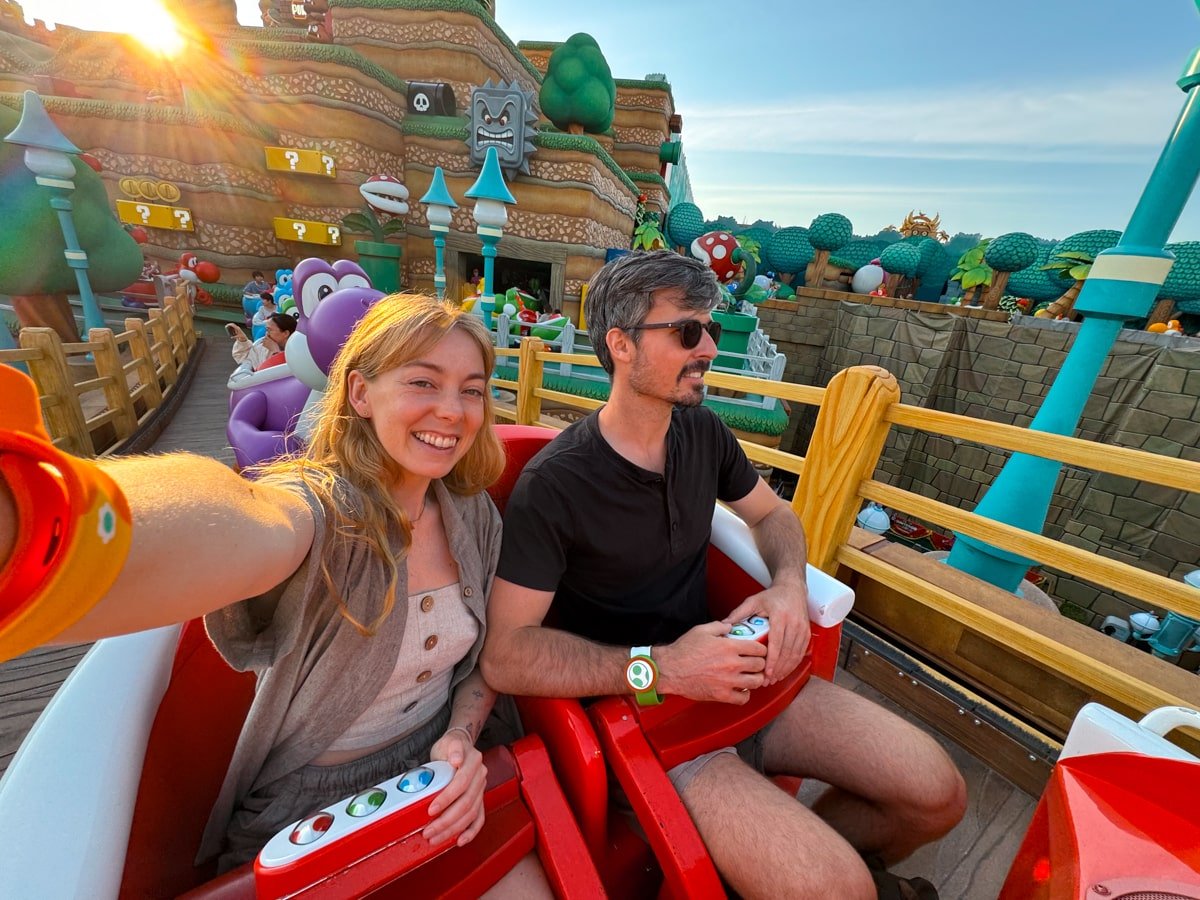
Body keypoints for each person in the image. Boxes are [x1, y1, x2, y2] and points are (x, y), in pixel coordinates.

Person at [0, 296, 548, 893]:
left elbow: (484, 661)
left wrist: (460, 738)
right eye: (423, 381)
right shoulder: (321, 511)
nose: (452, 410)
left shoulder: (471, 516)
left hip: (442, 779)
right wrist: (42, 521)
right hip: (311, 814)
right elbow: (250, 520)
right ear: (361, 394)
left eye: (472, 390)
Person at [481, 251, 966, 900]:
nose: (709, 345)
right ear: (621, 344)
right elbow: (507, 657)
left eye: (709, 327)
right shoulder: (557, 484)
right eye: (686, 331)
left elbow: (773, 517)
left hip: (738, 676)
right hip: (645, 708)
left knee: (937, 794)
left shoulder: (702, 433)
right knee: (837, 888)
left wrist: (789, 584)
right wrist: (663, 667)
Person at [229, 312, 295, 374]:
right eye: (266, 330)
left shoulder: (298, 352)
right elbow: (244, 358)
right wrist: (242, 339)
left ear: (286, 333)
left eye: (269, 330)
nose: (266, 334)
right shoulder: (263, 347)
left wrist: (276, 353)